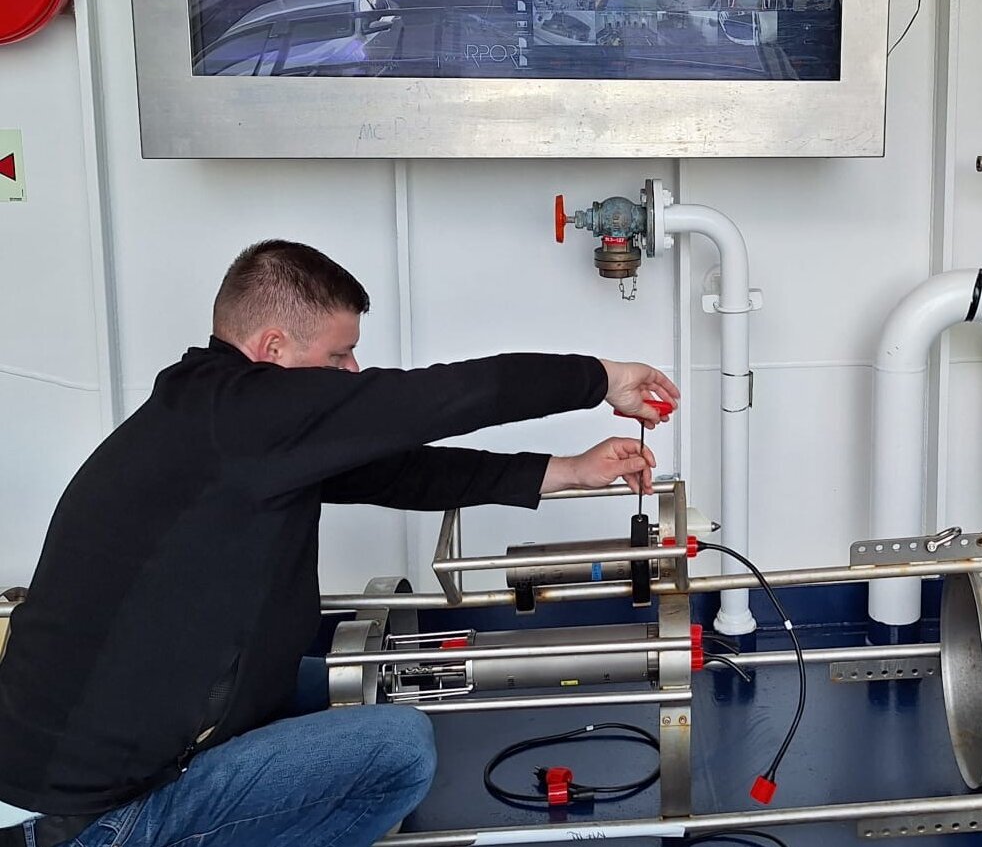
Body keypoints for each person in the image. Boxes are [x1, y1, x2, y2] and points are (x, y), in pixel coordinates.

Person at [0, 240, 680, 847]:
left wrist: (566, 471)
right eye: (337, 355)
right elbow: (446, 395)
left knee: (312, 685)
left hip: (55, 784)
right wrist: (603, 376)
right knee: (397, 746)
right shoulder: (248, 415)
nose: (353, 371)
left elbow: (399, 467)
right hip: (89, 822)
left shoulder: (213, 416)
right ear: (272, 351)